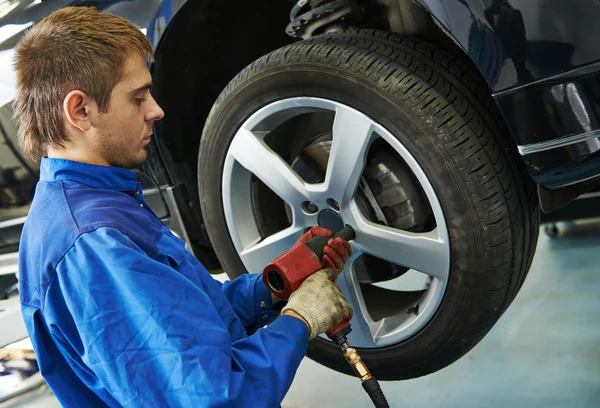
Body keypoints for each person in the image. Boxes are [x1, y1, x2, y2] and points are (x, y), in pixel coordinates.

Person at [14, 7, 353, 407]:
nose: (156, 109)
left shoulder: (98, 205)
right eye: (138, 97)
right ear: (80, 111)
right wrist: (301, 320)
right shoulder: (95, 246)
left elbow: (196, 319)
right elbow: (213, 398)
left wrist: (275, 284)